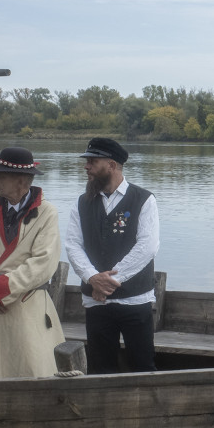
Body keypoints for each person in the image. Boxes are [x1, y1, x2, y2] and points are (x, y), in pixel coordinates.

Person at [0, 146, 65, 378]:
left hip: (25, 307)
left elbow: (43, 263)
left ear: (21, 182)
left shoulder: (47, 213)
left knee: (31, 370)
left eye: (0, 176)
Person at [66, 137, 160, 373]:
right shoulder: (81, 203)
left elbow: (147, 246)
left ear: (112, 165)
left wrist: (108, 281)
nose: (86, 166)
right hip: (96, 301)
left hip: (134, 299)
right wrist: (92, 277)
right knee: (99, 368)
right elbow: (73, 245)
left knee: (142, 366)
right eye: (87, 161)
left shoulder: (144, 199)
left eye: (92, 161)